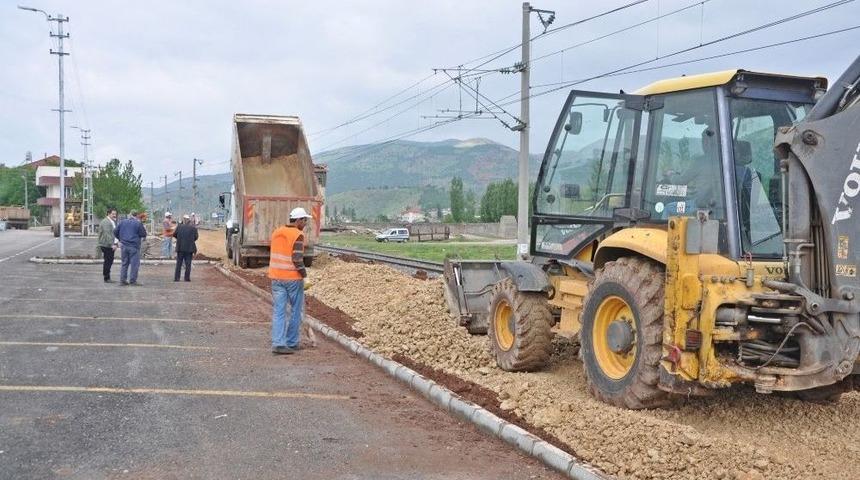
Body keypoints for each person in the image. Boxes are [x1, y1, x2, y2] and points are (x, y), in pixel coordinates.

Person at [269, 207, 312, 355]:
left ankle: (278, 343)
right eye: (304, 220)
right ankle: (292, 342)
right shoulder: (297, 235)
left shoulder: (277, 232)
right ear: (298, 220)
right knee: (295, 311)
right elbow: (297, 259)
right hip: (293, 279)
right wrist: (305, 275)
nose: (305, 223)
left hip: (276, 277)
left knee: (279, 311)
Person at [114, 210, 147, 286]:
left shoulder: (122, 222)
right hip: (134, 247)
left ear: (130, 214)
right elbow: (143, 234)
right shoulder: (138, 223)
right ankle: (132, 281)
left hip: (124, 246)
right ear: (136, 215)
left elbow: (115, 231)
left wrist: (120, 239)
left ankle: (123, 280)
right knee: (134, 264)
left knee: (124, 263)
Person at [173, 214, 198, 282]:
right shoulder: (193, 228)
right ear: (189, 221)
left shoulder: (179, 227)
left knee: (179, 263)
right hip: (189, 248)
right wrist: (190, 240)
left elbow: (174, 234)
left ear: (183, 220)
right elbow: (196, 237)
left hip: (180, 247)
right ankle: (187, 278)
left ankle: (177, 278)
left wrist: (180, 239)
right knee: (188, 264)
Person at [97, 207, 119, 283]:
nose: (114, 215)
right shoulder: (106, 222)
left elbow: (113, 233)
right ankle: (106, 278)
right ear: (108, 214)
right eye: (113, 214)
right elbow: (107, 234)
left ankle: (107, 276)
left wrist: (116, 243)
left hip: (109, 244)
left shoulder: (111, 221)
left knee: (109, 260)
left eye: (115, 214)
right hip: (106, 245)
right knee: (108, 261)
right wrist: (111, 244)